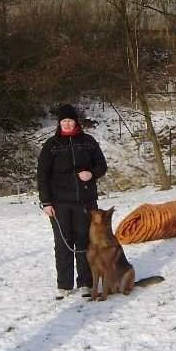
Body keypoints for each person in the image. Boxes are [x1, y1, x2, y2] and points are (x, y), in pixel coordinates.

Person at [36, 104, 108, 300]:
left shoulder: (88, 142)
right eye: (63, 121)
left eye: (70, 120)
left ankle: (86, 282)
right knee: (63, 243)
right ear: (59, 124)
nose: (67, 124)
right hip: (59, 203)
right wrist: (46, 202)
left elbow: (102, 165)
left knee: (84, 241)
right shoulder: (51, 145)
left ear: (76, 122)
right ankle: (64, 285)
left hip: (85, 202)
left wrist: (91, 173)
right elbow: (42, 174)